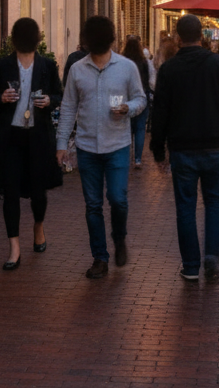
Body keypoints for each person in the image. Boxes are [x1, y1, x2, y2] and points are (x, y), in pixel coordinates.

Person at [150, 14, 219, 282]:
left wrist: (159, 151)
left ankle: (191, 265)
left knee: (185, 207)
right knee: (215, 203)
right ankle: (212, 259)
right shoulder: (218, 65)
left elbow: (160, 114)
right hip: (216, 147)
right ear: (202, 36)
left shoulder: (169, 70)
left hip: (183, 149)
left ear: (178, 38)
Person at [57, 16, 148, 279]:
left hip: (118, 144)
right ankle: (100, 257)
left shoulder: (127, 67)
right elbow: (68, 108)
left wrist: (128, 108)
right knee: (93, 205)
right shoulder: (77, 69)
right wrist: (62, 143)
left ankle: (119, 238)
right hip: (87, 147)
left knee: (118, 200)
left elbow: (141, 99)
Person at [0, 18, 64, 270]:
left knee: (38, 191)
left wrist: (49, 100)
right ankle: (14, 248)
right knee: (10, 192)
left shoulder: (47, 65)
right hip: (11, 137)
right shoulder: (3, 65)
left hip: (38, 135)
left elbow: (59, 94)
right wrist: (2, 97)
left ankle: (38, 227)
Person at [121, 35, 153, 169]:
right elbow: (151, 80)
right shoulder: (145, 62)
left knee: (127, 128)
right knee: (140, 128)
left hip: (126, 96)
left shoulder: (122, 62)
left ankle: (126, 157)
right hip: (142, 95)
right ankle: (138, 159)